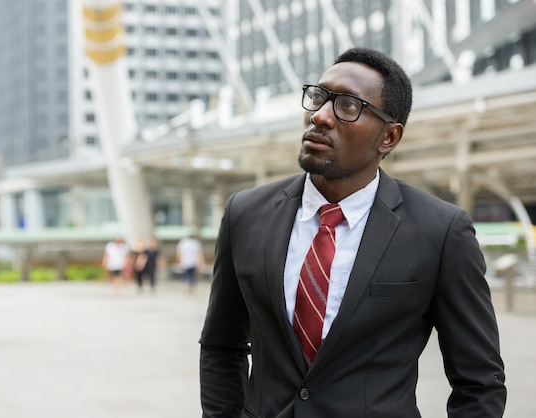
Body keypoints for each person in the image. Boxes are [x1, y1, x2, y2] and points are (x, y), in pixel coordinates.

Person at [199, 47, 506, 417]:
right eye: (318, 97)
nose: (320, 116)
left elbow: (479, 382)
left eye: (347, 106)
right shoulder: (245, 214)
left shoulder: (440, 232)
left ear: (389, 137)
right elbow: (222, 346)